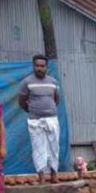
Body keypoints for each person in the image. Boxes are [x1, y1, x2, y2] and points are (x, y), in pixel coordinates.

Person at [17, 55, 61, 183]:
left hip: (52, 119)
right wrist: (33, 111)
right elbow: (21, 102)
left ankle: (54, 174)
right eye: (37, 66)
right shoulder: (26, 82)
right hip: (35, 121)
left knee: (54, 147)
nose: (39, 68)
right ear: (33, 66)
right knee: (38, 148)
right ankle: (41, 176)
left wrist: (48, 110)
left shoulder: (53, 82)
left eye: (42, 66)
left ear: (46, 67)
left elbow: (56, 100)